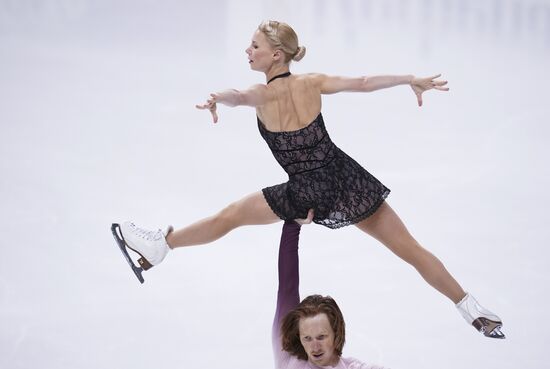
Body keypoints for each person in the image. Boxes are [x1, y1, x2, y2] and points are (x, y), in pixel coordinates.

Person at [112, 20, 504, 338]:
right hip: (347, 180)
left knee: (228, 217)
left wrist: (219, 97)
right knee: (410, 249)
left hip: (305, 190)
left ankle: (162, 246)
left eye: (254, 46)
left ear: (275, 55)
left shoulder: (263, 96)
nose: (247, 51)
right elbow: (365, 83)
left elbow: (240, 96)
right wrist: (408, 78)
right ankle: (472, 310)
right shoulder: (312, 82)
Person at [274, 213, 388, 369]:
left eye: (321, 337)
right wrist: (292, 225)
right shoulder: (289, 360)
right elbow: (287, 287)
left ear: (336, 332)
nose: (315, 348)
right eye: (307, 338)